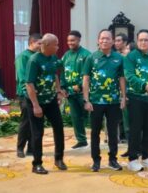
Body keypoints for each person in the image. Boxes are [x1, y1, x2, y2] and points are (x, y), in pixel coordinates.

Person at [82, 29, 126, 172]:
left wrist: (123, 97)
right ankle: (96, 160)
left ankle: (113, 159)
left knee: (113, 132)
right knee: (95, 132)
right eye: (102, 38)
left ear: (112, 41)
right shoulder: (91, 57)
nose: (104, 41)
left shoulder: (119, 58)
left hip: (113, 102)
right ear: (98, 40)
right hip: (95, 101)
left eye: (107, 38)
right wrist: (86, 100)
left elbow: (121, 79)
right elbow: (86, 79)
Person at [25, 33, 67, 174]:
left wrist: (58, 90)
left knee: (59, 128)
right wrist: (36, 105)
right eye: (56, 44)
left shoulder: (53, 57)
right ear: (47, 45)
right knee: (38, 133)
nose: (58, 47)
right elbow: (29, 84)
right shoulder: (34, 60)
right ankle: (37, 164)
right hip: (36, 102)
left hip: (50, 100)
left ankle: (59, 159)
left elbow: (54, 74)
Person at [124, 29, 148, 172]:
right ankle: (133, 159)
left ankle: (146, 157)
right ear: (137, 41)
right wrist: (145, 86)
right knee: (135, 129)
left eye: (146, 40)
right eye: (140, 40)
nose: (143, 42)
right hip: (135, 98)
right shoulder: (130, 57)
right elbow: (129, 76)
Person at [61, 30, 91, 149]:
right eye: (68, 41)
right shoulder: (66, 55)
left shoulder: (87, 55)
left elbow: (89, 73)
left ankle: (97, 136)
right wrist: (63, 87)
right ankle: (81, 140)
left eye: (72, 40)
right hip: (70, 92)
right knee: (75, 116)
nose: (70, 43)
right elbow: (62, 72)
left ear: (79, 40)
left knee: (87, 115)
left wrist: (79, 85)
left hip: (83, 92)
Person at [15, 33, 42, 158]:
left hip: (37, 94)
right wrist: (28, 94)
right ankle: (20, 148)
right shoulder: (23, 57)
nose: (41, 46)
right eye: (39, 43)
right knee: (26, 122)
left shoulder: (39, 56)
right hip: (26, 94)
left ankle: (31, 148)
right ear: (31, 43)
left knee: (36, 122)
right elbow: (22, 78)